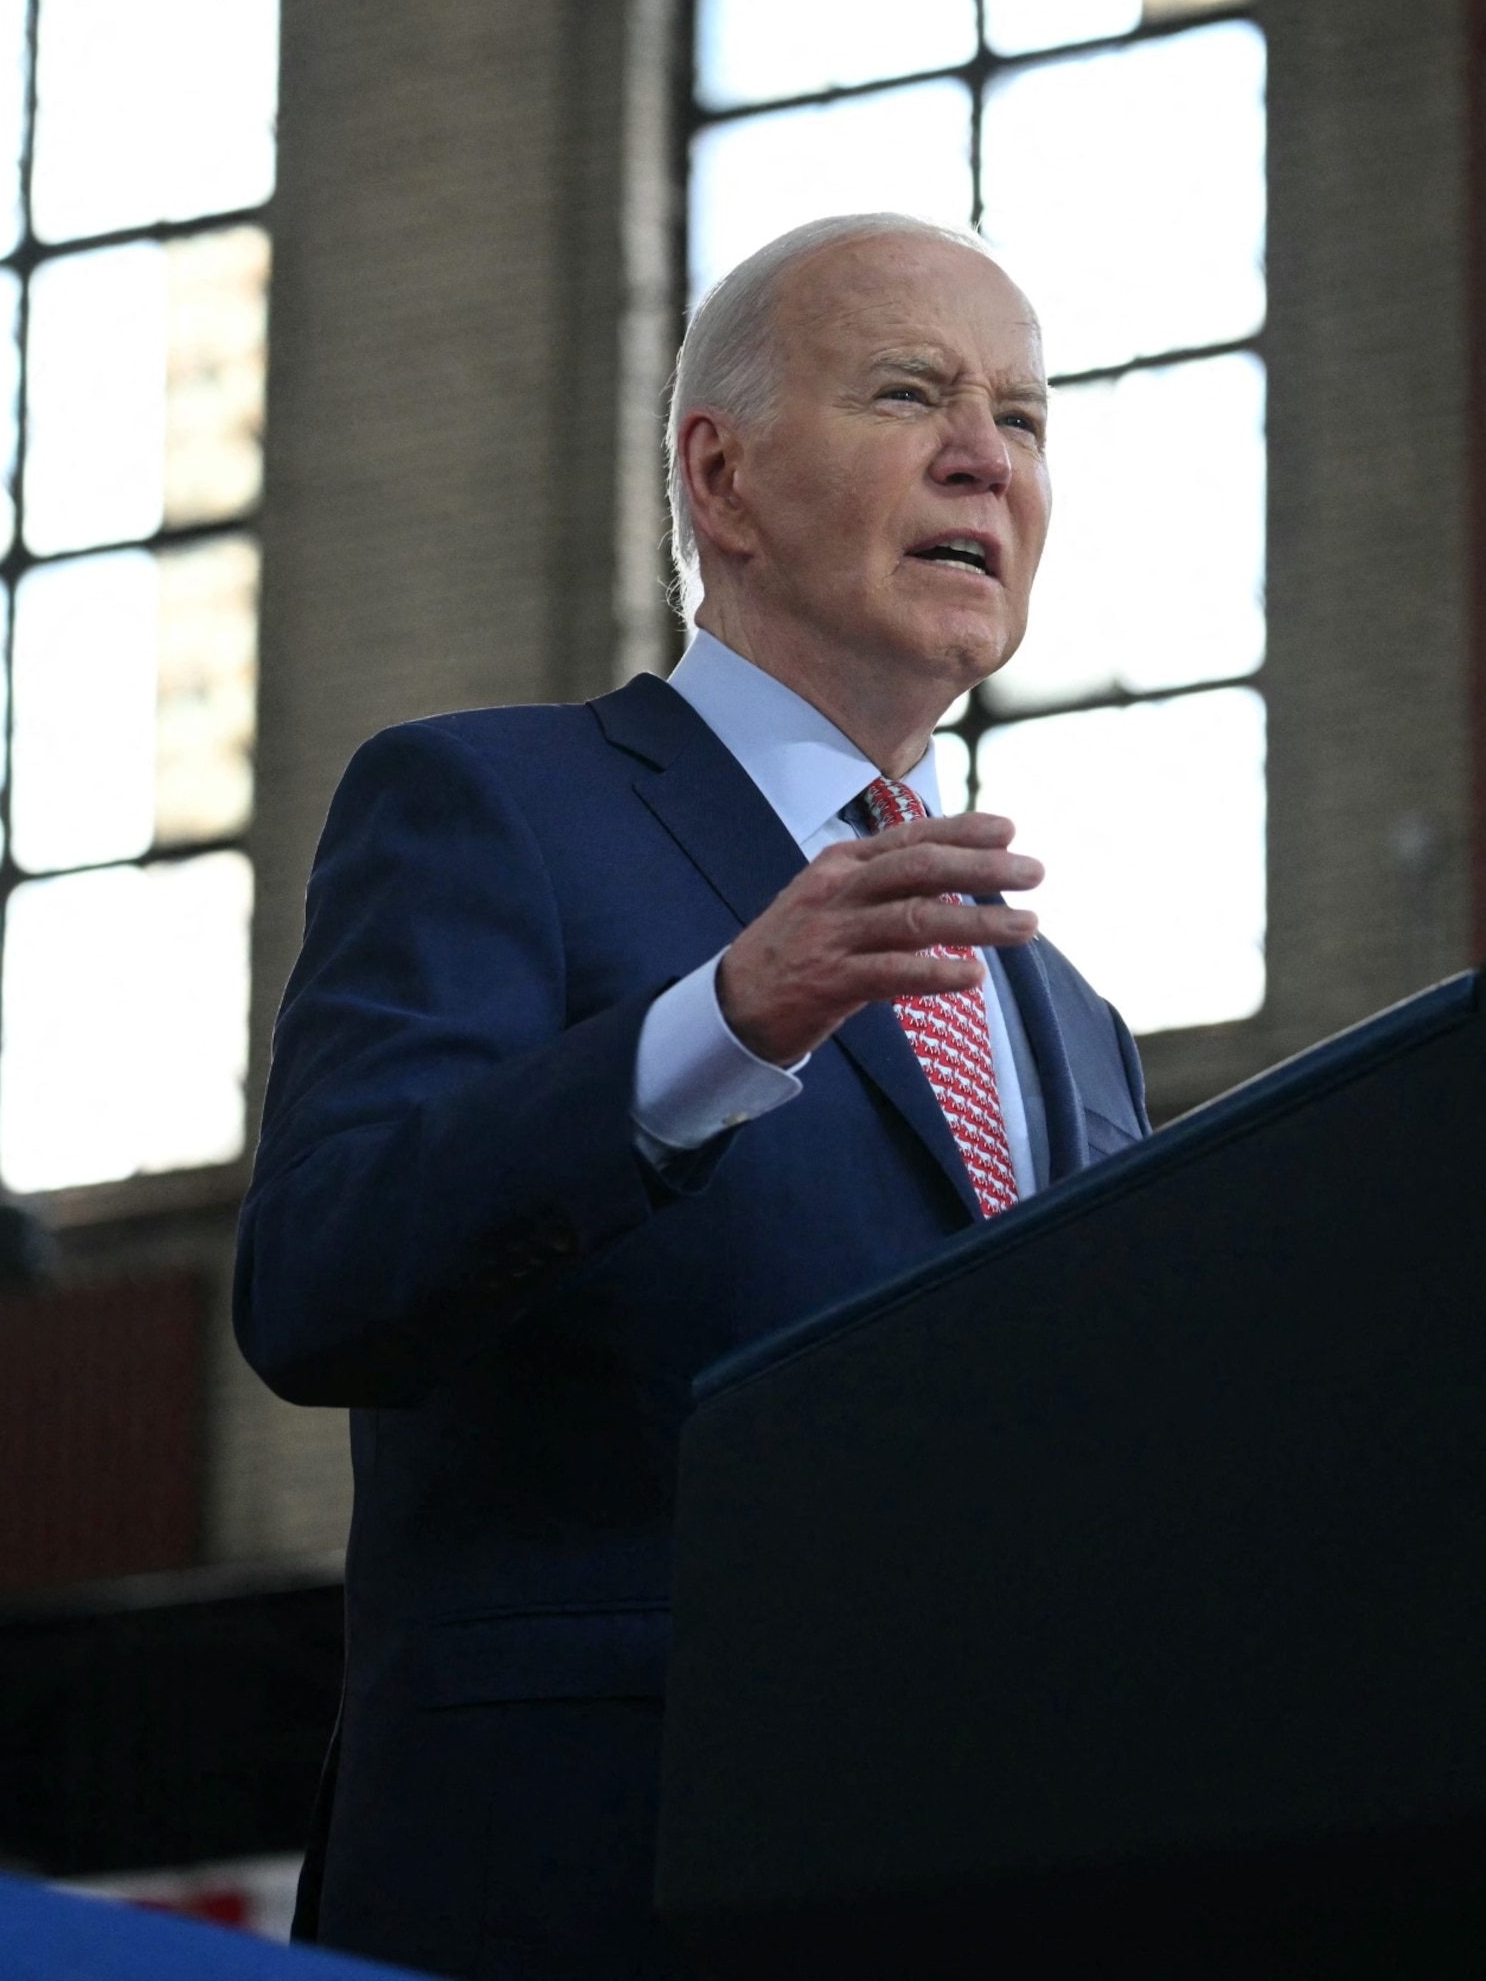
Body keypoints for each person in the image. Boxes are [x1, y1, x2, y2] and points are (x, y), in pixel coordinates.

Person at [232, 212, 1152, 1978]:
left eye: (1025, 421)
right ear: (719, 479)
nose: (987, 454)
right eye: (913, 393)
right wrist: (721, 1025)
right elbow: (319, 1278)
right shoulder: (495, 806)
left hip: (985, 1874)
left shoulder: (1070, 1019)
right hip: (592, 1868)